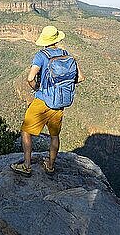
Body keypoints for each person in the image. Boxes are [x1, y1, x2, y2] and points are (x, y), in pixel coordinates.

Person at [11, 25, 84, 176]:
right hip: (59, 103)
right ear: (57, 39)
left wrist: (36, 87)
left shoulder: (41, 56)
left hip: (42, 101)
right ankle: (50, 165)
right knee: (54, 136)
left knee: (25, 131)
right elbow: (81, 78)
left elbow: (30, 78)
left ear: (44, 40)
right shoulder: (66, 55)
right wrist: (62, 84)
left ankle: (26, 166)